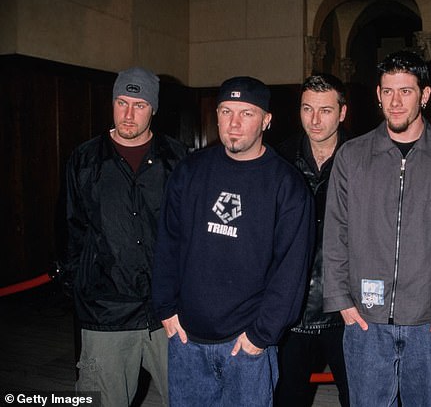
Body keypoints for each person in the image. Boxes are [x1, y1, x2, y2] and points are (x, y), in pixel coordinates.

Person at [322, 50, 431, 406]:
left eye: (405, 91)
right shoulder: (352, 156)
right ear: (378, 95)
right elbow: (335, 231)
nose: (395, 102)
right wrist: (341, 300)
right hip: (365, 322)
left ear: (425, 95)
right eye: (388, 91)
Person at [151, 76, 314, 407]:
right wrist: (165, 308)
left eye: (246, 113)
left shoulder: (287, 185)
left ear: (266, 120)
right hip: (186, 340)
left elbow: (291, 271)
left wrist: (261, 336)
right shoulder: (190, 171)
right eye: (226, 111)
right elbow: (167, 243)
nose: (234, 123)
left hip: (247, 346)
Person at [62, 67, 188, 406]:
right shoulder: (85, 159)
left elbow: (190, 233)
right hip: (106, 312)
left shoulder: (177, 159)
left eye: (139, 105)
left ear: (154, 109)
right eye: (122, 102)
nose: (129, 114)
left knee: (191, 397)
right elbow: (71, 230)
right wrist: (83, 287)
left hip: (169, 311)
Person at [275, 74, 350, 407]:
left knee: (359, 397)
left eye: (325, 110)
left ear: (342, 113)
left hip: (347, 310)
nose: (315, 120)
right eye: (307, 109)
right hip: (291, 307)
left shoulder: (363, 159)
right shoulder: (278, 158)